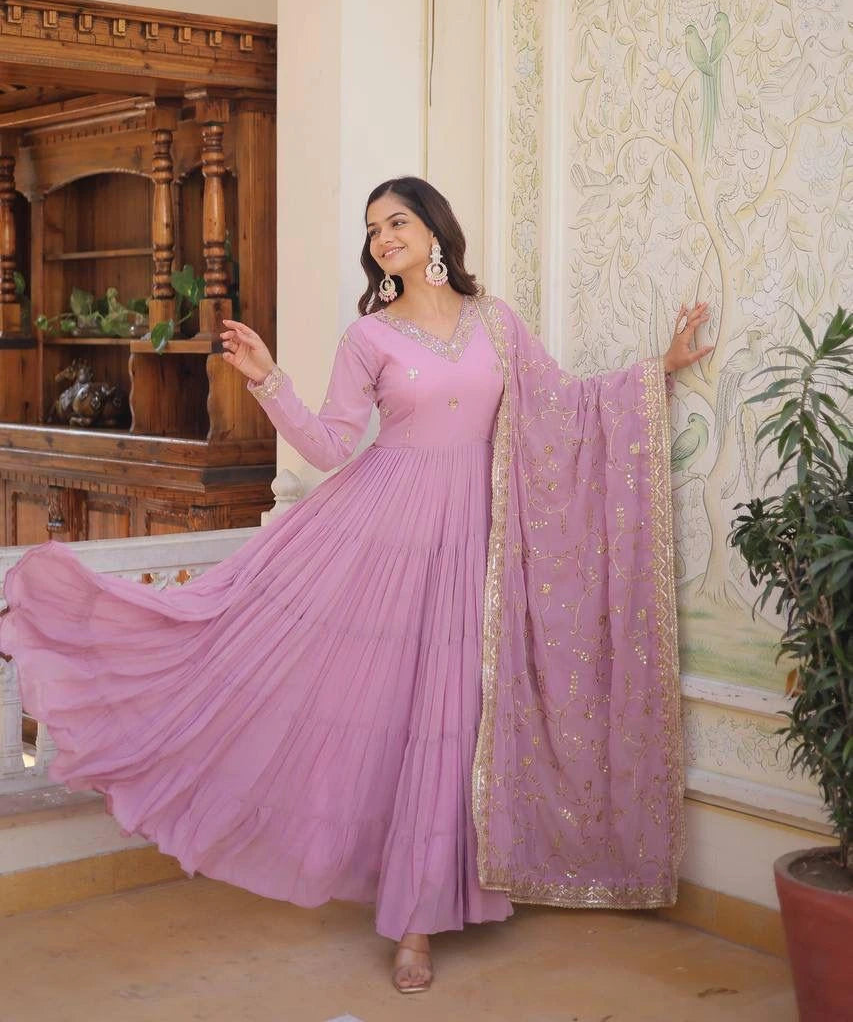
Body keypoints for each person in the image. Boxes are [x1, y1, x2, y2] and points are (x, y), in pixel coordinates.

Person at [0, 177, 711, 995]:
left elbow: (559, 408)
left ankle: (438, 901)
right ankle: (412, 925)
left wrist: (656, 370)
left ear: (435, 229)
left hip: (477, 537)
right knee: (406, 713)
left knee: (461, 715)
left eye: (396, 221)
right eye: (371, 228)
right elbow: (332, 446)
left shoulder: (496, 323)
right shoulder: (368, 337)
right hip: (385, 534)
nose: (382, 238)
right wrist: (269, 380)